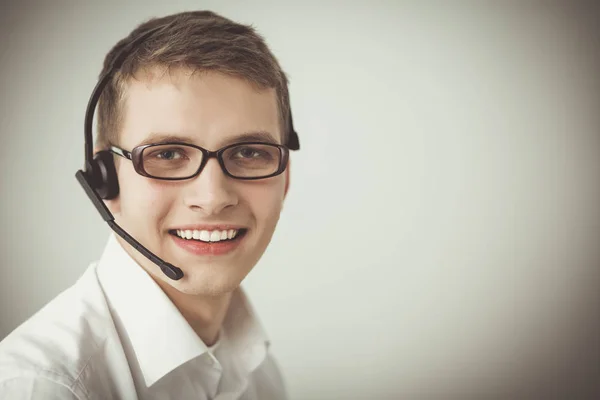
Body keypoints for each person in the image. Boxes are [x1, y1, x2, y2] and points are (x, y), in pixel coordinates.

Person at [0, 10, 298, 400]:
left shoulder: (258, 369)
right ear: (104, 178)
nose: (212, 198)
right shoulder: (41, 387)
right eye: (169, 154)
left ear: (285, 176)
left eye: (248, 151)